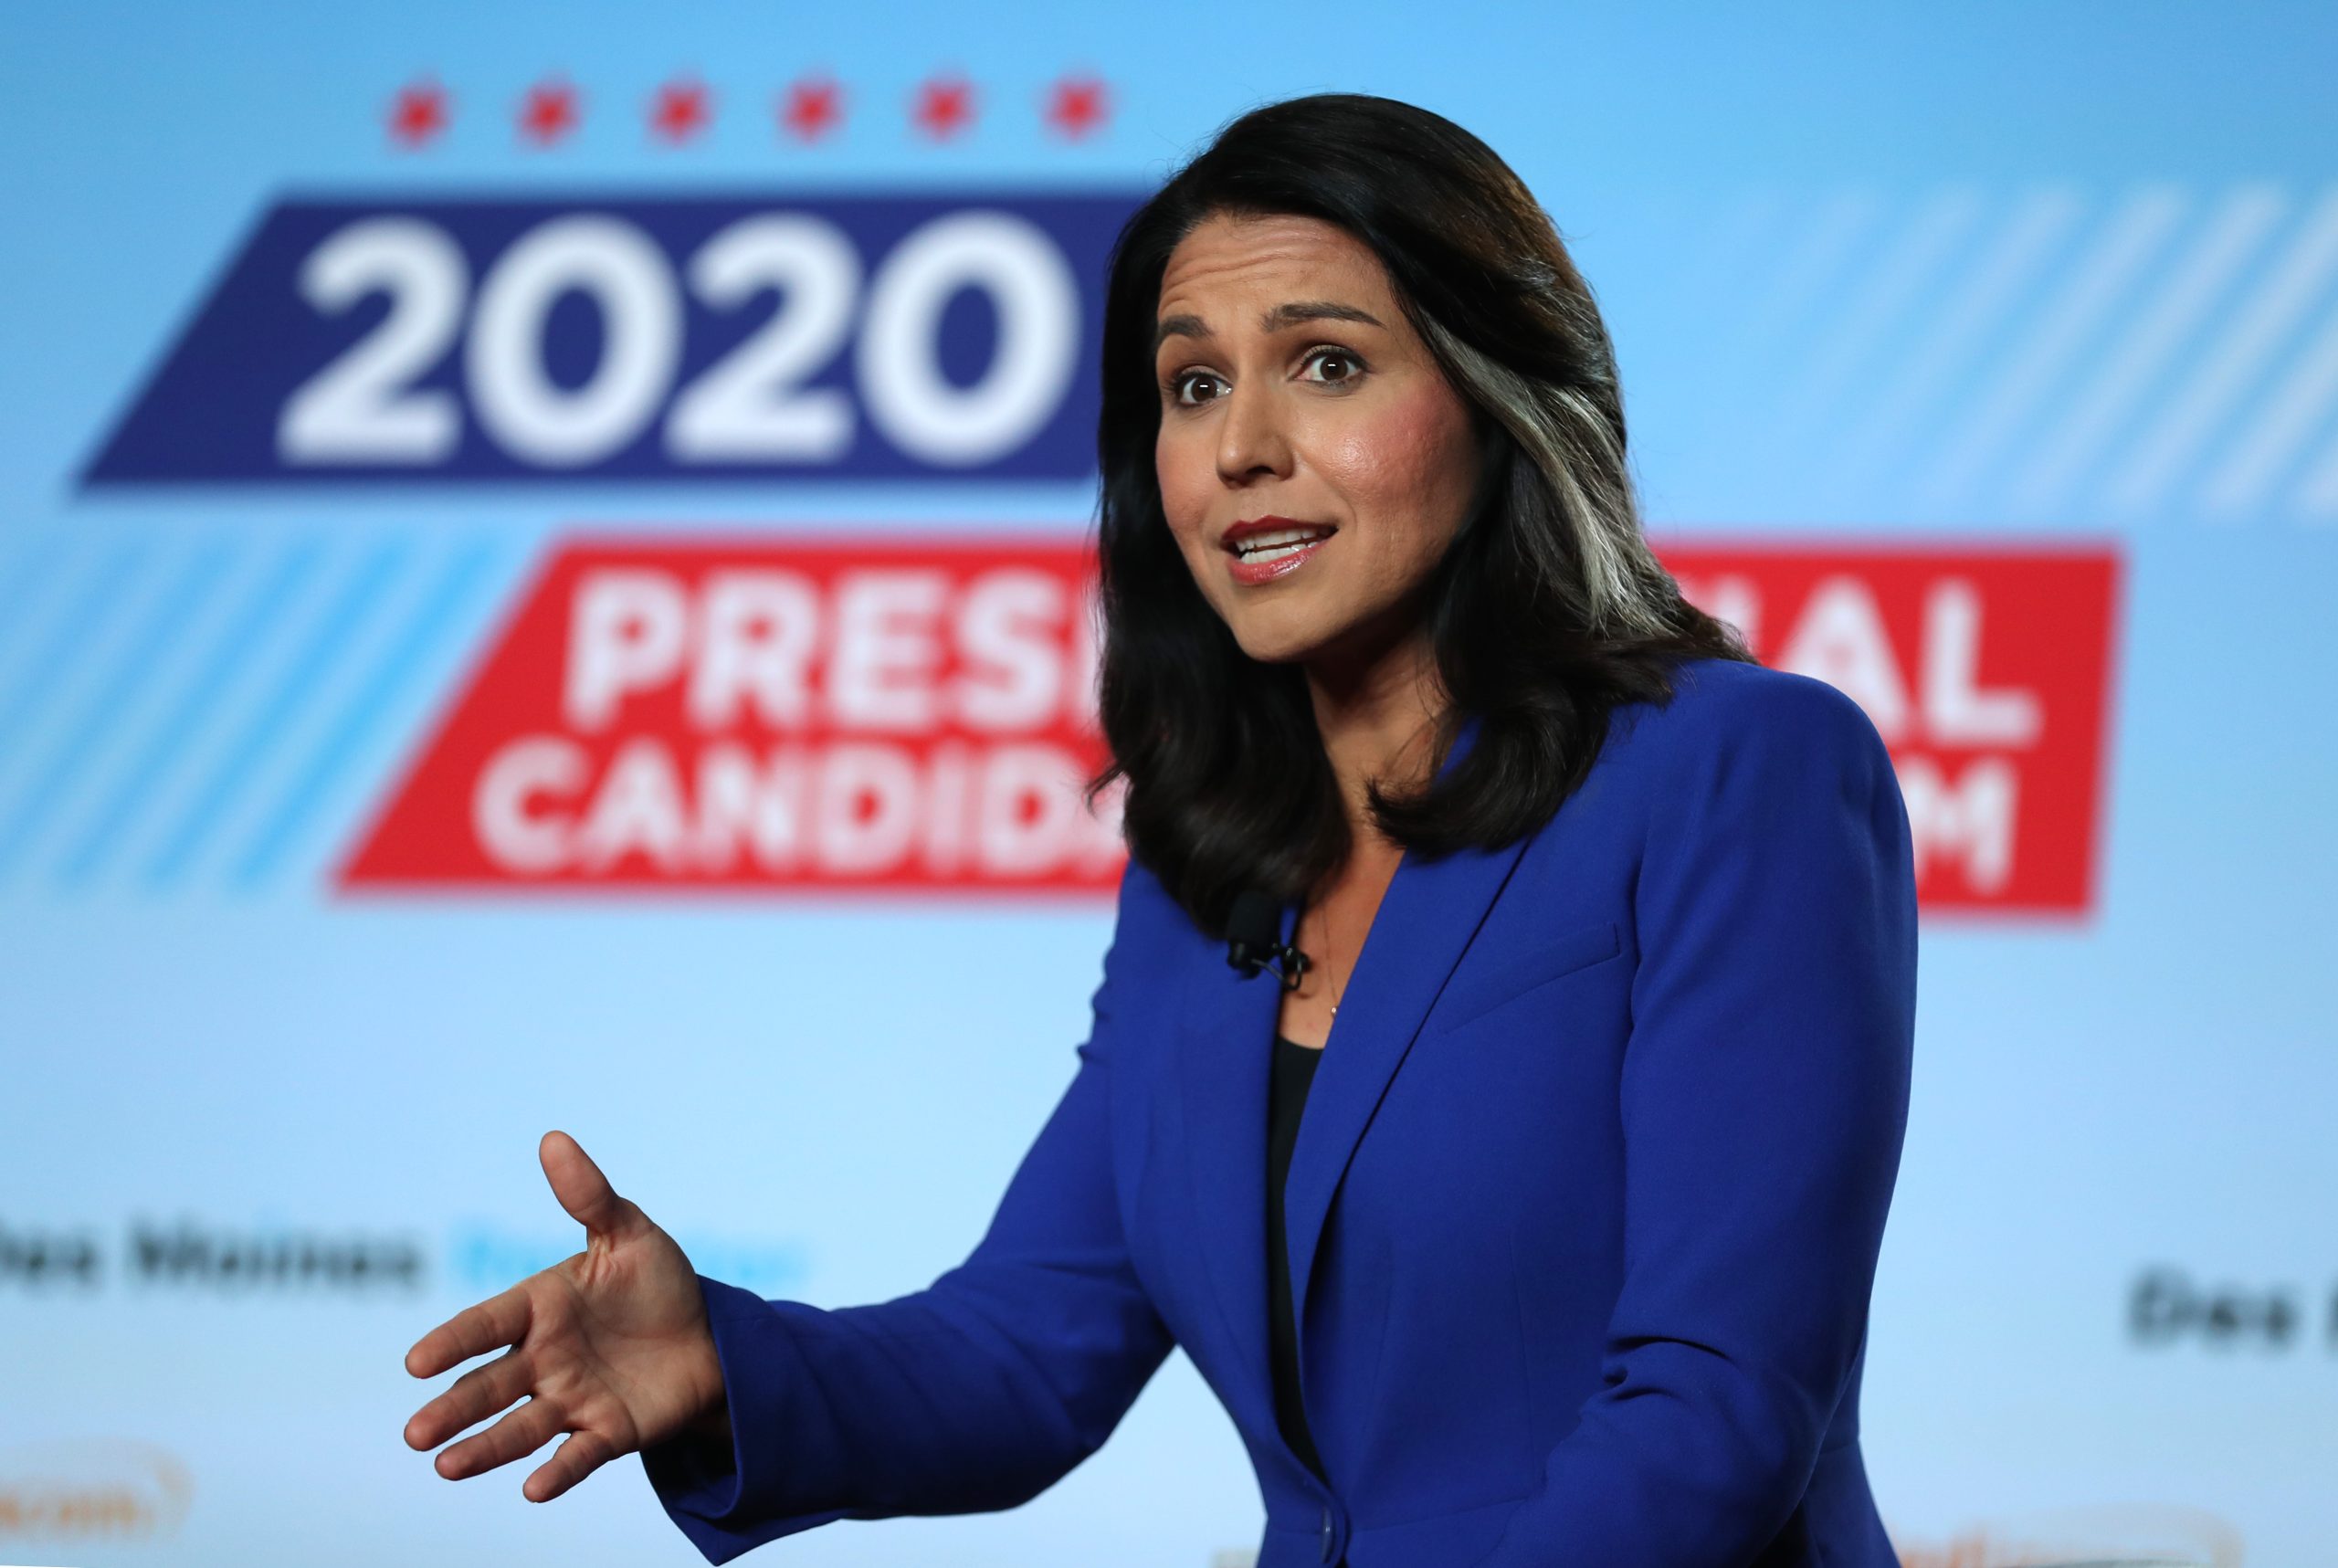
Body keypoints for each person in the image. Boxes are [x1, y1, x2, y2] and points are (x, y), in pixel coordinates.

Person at [402, 92, 1917, 1568]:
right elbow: (1024, 1348)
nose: (1242, 445)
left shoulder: (1741, 769)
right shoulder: (1207, 875)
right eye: (1194, 386)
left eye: (1325, 364)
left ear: (1496, 395)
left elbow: (1715, 1406)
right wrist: (721, 1358)